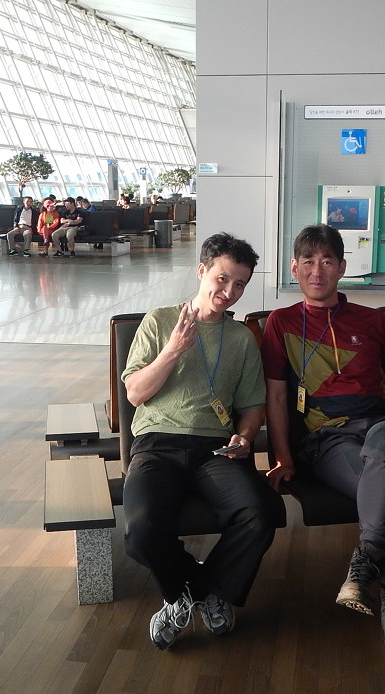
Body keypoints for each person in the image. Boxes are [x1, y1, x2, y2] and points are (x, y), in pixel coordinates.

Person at [260, 224, 385, 661]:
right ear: (294, 268)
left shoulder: (375, 322)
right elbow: (275, 397)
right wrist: (282, 457)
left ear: (343, 268)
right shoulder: (281, 323)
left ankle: (366, 562)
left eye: (327, 261)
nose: (317, 271)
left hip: (384, 427)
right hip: (329, 440)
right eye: (309, 262)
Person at [122, 232, 279, 651]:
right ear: (202, 270)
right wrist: (173, 349)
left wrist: (246, 436)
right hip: (157, 444)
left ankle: (198, 592)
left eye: (240, 284)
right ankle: (194, 590)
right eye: (222, 279)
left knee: (262, 512)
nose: (229, 292)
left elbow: (252, 406)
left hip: (214, 449)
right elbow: (135, 393)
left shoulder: (241, 338)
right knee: (140, 532)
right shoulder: (159, 321)